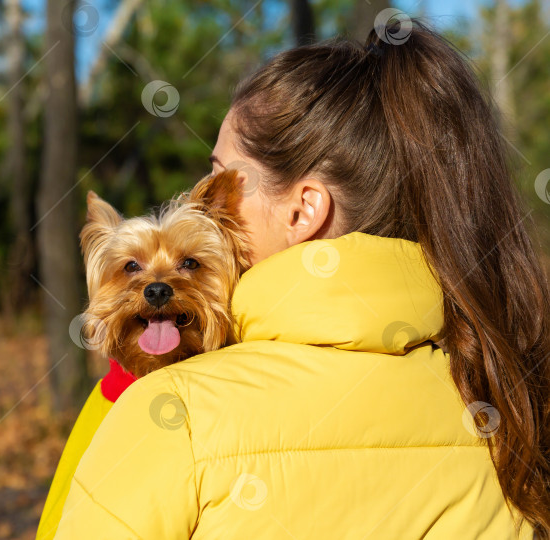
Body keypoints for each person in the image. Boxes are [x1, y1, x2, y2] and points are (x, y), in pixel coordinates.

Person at [53, 19, 550, 539]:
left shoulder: (172, 415)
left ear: (303, 210)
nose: (210, 204)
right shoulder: (502, 404)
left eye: (223, 181)